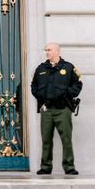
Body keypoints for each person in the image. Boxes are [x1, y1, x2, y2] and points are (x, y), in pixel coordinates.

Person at [30, 42, 82, 176]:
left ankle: (69, 167)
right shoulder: (41, 68)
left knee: (66, 138)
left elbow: (78, 84)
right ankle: (46, 167)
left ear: (57, 52)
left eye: (49, 50)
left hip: (63, 109)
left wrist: (67, 94)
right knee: (46, 139)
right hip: (46, 109)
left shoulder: (68, 68)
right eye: (46, 50)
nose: (47, 52)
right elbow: (33, 85)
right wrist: (40, 95)